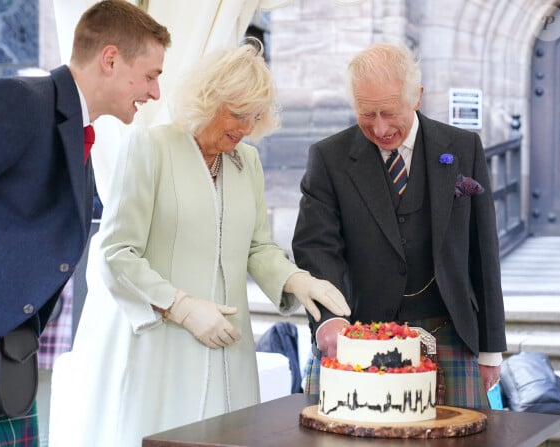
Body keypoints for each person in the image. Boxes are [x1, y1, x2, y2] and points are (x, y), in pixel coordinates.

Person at [48, 38, 350, 447]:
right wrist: (182, 307)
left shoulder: (248, 163)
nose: (244, 128)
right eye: (238, 114)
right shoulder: (151, 147)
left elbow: (258, 247)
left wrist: (296, 280)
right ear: (209, 98)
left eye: (254, 117)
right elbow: (116, 253)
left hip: (230, 350)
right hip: (161, 348)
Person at [0, 0, 170, 443]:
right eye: (151, 75)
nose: (154, 93)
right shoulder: (23, 101)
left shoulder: (76, 131)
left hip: (9, 356)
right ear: (110, 59)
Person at [292, 42, 506, 409]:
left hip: (451, 332)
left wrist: (490, 349)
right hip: (360, 335)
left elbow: (482, 251)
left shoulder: (463, 147)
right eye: (367, 113)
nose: (380, 127)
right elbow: (317, 248)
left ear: (417, 97)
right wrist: (328, 321)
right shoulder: (328, 158)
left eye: (390, 112)